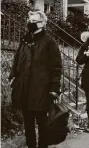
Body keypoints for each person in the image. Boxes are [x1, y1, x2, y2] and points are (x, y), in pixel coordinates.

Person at [8, 10, 62, 148]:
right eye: (30, 21)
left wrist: (54, 88)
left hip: (41, 90)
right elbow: (17, 60)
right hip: (24, 88)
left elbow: (56, 67)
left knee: (42, 123)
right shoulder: (25, 40)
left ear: (43, 23)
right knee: (28, 123)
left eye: (34, 21)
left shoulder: (50, 42)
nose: (30, 23)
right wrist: (13, 76)